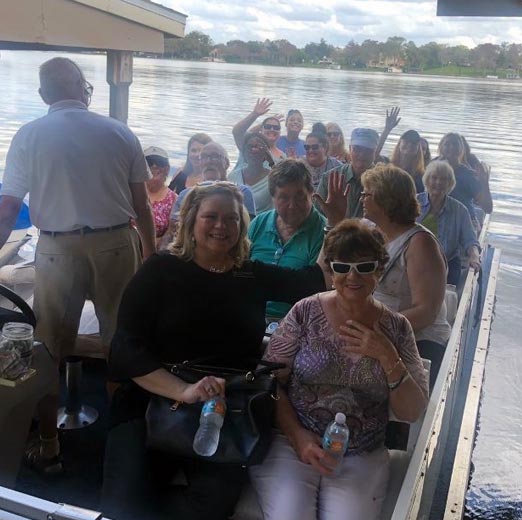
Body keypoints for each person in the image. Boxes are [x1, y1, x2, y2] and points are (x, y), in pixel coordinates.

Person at [102, 180, 347, 520]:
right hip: (152, 401)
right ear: (190, 221)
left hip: (228, 408)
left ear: (242, 225)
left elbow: (314, 280)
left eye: (232, 219)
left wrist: (334, 223)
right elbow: (125, 347)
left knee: (214, 503)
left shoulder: (252, 274)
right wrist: (184, 391)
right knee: (124, 504)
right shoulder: (160, 270)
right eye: (211, 217)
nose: (222, 226)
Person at [0, 57, 155, 473]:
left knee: (49, 350)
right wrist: (152, 258)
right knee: (119, 344)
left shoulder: (28, 135)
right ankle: (120, 447)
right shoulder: (119, 132)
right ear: (84, 88)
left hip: (57, 250)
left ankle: (49, 445)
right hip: (116, 245)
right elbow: (142, 207)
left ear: (42, 95)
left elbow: (8, 206)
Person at [249, 219, 429, 520]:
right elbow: (269, 380)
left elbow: (412, 411)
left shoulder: (397, 328)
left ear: (380, 271)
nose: (352, 276)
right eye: (342, 267)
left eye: (364, 266)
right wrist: (298, 436)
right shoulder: (304, 312)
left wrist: (386, 356)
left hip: (362, 452)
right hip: (292, 443)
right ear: (331, 272)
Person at [361, 164, 450, 389]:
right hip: (376, 329)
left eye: (367, 193)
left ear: (386, 199)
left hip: (418, 339)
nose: (361, 198)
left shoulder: (420, 243)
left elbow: (425, 312)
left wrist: (374, 328)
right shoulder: (370, 230)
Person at [248, 159, 326, 320]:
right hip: (251, 313)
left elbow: (317, 289)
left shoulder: (323, 232)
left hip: (298, 321)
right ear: (272, 198)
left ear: (311, 193)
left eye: (300, 197)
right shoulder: (258, 224)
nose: (292, 205)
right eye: (284, 197)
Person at [159, 142, 256, 249]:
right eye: (204, 157)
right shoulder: (185, 195)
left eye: (215, 156)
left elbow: (248, 233)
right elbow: (172, 232)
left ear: (227, 163)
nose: (209, 161)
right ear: (200, 163)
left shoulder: (242, 192)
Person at [418, 160, 481, 286]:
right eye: (434, 178)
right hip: (415, 261)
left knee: (448, 294)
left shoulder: (460, 210)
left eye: (444, 179)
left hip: (448, 262)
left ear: (450, 183)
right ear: (426, 180)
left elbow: (470, 240)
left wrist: (474, 257)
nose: (438, 183)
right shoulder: (413, 203)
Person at [317, 127, 379, 219]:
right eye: (357, 149)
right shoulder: (329, 178)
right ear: (350, 149)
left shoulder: (384, 182)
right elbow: (316, 214)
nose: (362, 154)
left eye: (368, 150)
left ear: (375, 151)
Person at [436, 133, 490, 227]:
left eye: (455, 144)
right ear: (441, 148)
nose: (451, 147)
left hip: (464, 221)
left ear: (462, 149)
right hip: (438, 218)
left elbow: (487, 208)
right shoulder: (432, 169)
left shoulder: (469, 175)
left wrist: (484, 183)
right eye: (447, 144)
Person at [228, 133, 274, 213]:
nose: (254, 150)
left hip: (261, 223)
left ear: (266, 153)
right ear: (244, 152)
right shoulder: (233, 177)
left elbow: (286, 186)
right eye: (250, 147)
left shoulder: (273, 177)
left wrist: (271, 161)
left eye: (259, 147)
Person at [232, 98, 285, 163]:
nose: (272, 129)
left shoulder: (283, 156)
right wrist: (255, 114)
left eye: (276, 127)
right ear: (261, 131)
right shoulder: (251, 146)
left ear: (280, 133)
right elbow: (237, 131)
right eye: (268, 126)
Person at [144, 146, 178, 244]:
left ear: (167, 169)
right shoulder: (130, 194)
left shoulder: (174, 199)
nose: (154, 166)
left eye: (160, 162)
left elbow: (172, 232)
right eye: (149, 162)